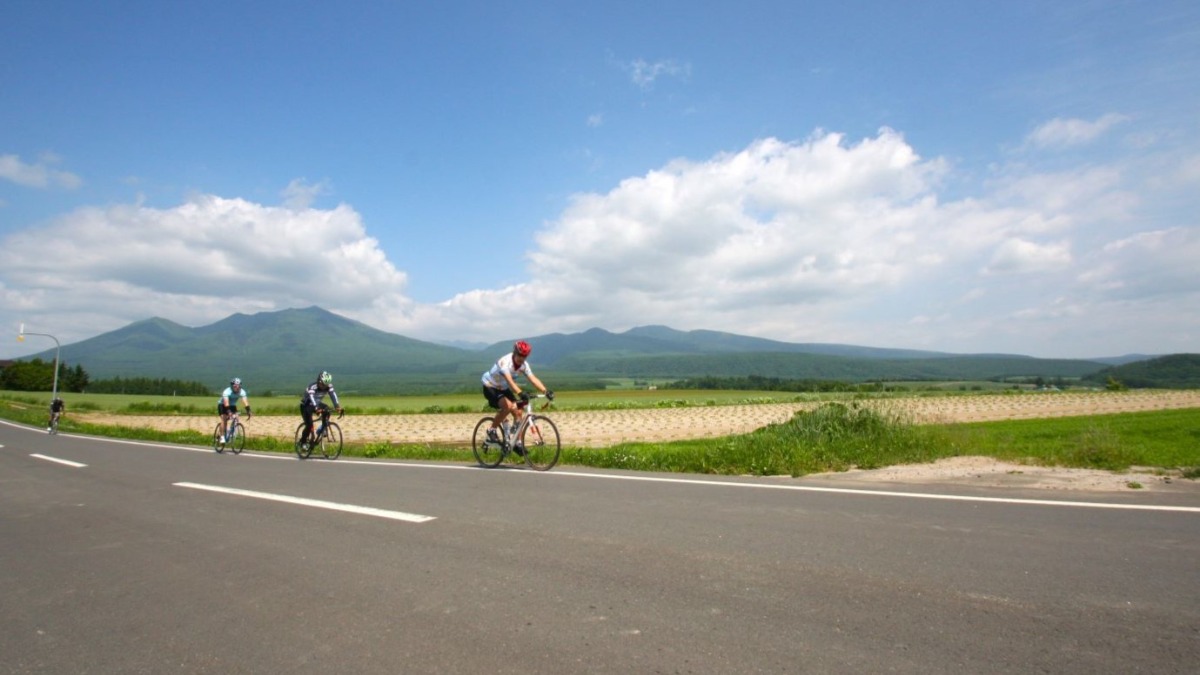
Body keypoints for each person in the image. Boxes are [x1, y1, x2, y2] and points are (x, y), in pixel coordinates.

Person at [481, 340, 553, 447]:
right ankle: (491, 430)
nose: (521, 358)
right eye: (520, 355)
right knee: (508, 406)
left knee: (519, 411)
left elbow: (532, 378)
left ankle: (516, 442)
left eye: (524, 356)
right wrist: (520, 393)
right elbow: (510, 380)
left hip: (503, 388)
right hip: (490, 386)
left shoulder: (524, 365)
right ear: (514, 352)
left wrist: (545, 391)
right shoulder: (505, 362)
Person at [298, 370, 343, 447]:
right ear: (319, 381)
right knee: (309, 425)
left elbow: (333, 395)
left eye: (326, 385)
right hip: (306, 405)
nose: (324, 387)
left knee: (327, 410)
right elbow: (312, 398)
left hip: (317, 403)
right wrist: (316, 408)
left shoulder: (328, 386)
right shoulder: (312, 386)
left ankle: (321, 429)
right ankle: (303, 442)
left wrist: (337, 406)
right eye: (323, 384)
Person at [217, 378, 252, 443]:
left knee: (236, 417)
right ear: (232, 386)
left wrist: (248, 410)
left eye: (238, 386)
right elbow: (226, 403)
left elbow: (245, 402)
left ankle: (232, 433)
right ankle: (221, 437)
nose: (237, 387)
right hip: (223, 405)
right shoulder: (227, 391)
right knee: (224, 419)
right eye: (235, 386)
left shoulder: (242, 391)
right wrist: (229, 412)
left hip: (232, 405)